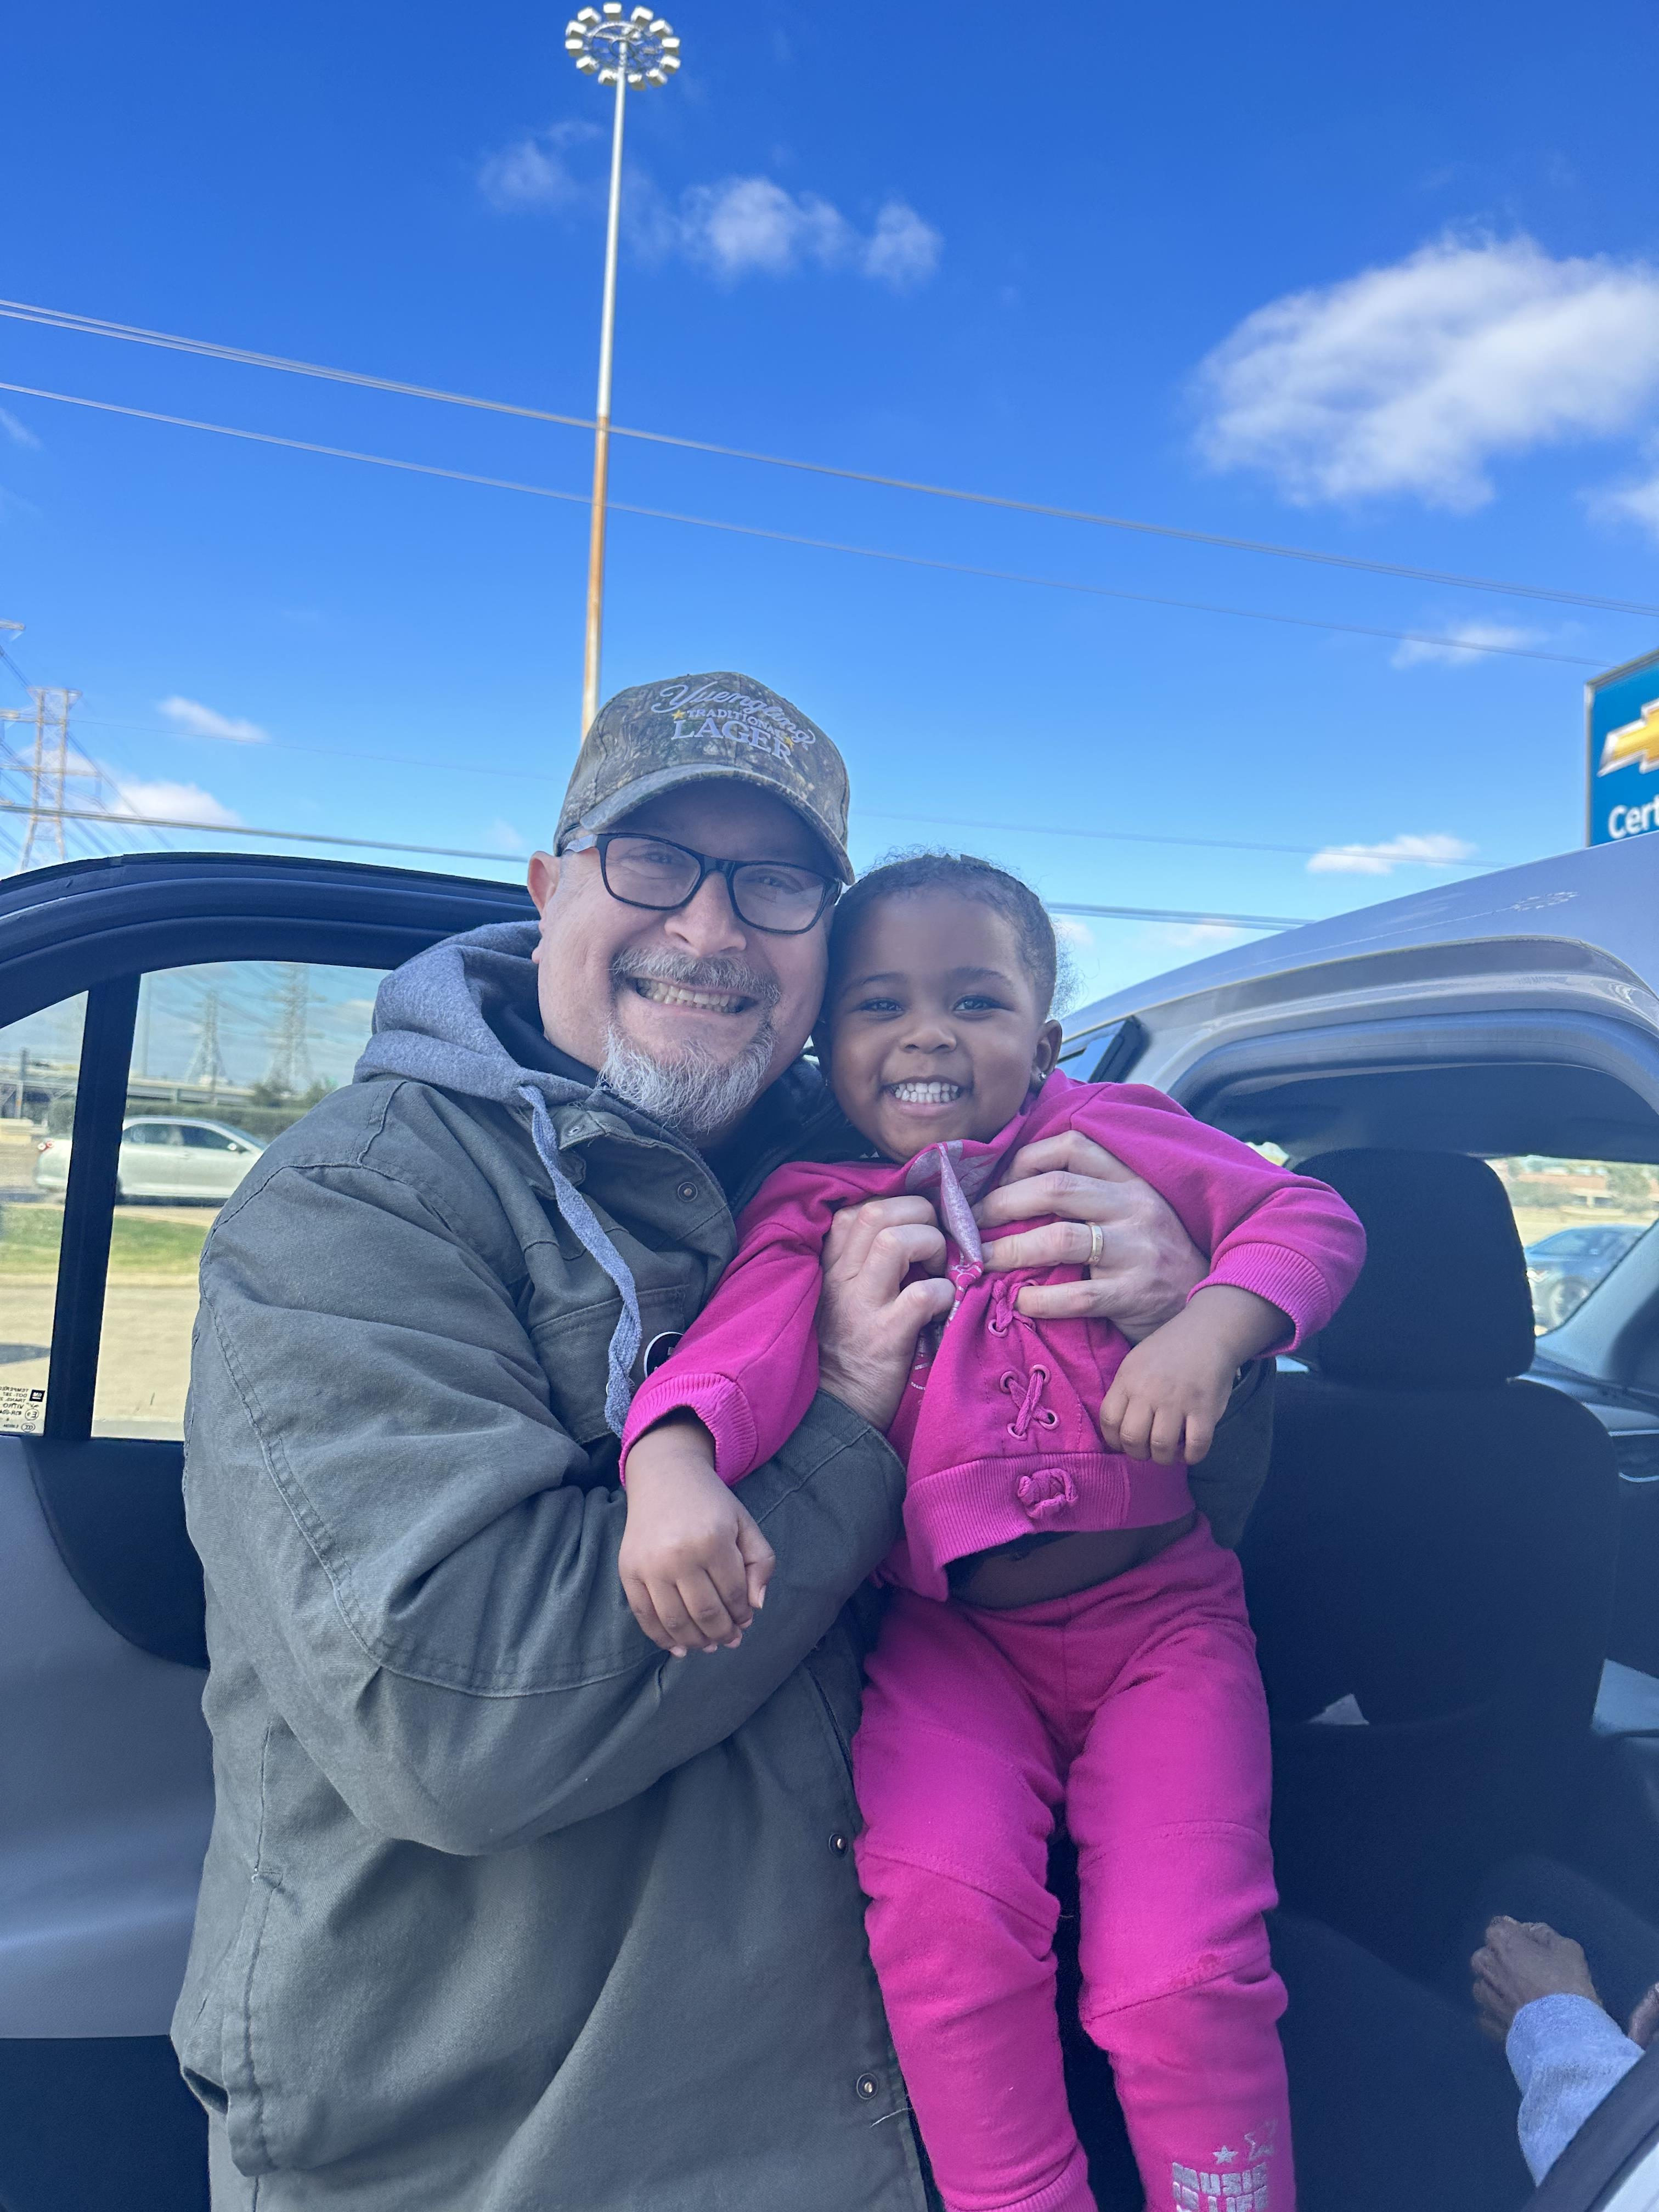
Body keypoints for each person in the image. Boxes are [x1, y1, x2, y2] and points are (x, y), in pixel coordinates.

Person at [173, 674, 1279, 2211]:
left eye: (773, 884)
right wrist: (837, 1419)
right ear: (552, 889)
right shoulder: (362, 1208)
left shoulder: (883, 1153)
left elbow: (1161, 1521)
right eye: (653, 862)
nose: (708, 929)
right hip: (521, 2144)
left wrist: (1179, 1317)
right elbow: (458, 1720)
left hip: (875, 2106)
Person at [617, 853, 1367, 2212]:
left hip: (1163, 1624)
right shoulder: (815, 1209)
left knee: (1184, 1975)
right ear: (821, 1039)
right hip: (953, 1646)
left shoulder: (1120, 1135)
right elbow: (727, 1363)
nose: (926, 1034)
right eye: (878, 1003)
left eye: (976, 999)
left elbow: (1306, 1216)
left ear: (1047, 1038)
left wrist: (1210, 1324)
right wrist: (670, 1463)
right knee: (942, 1922)